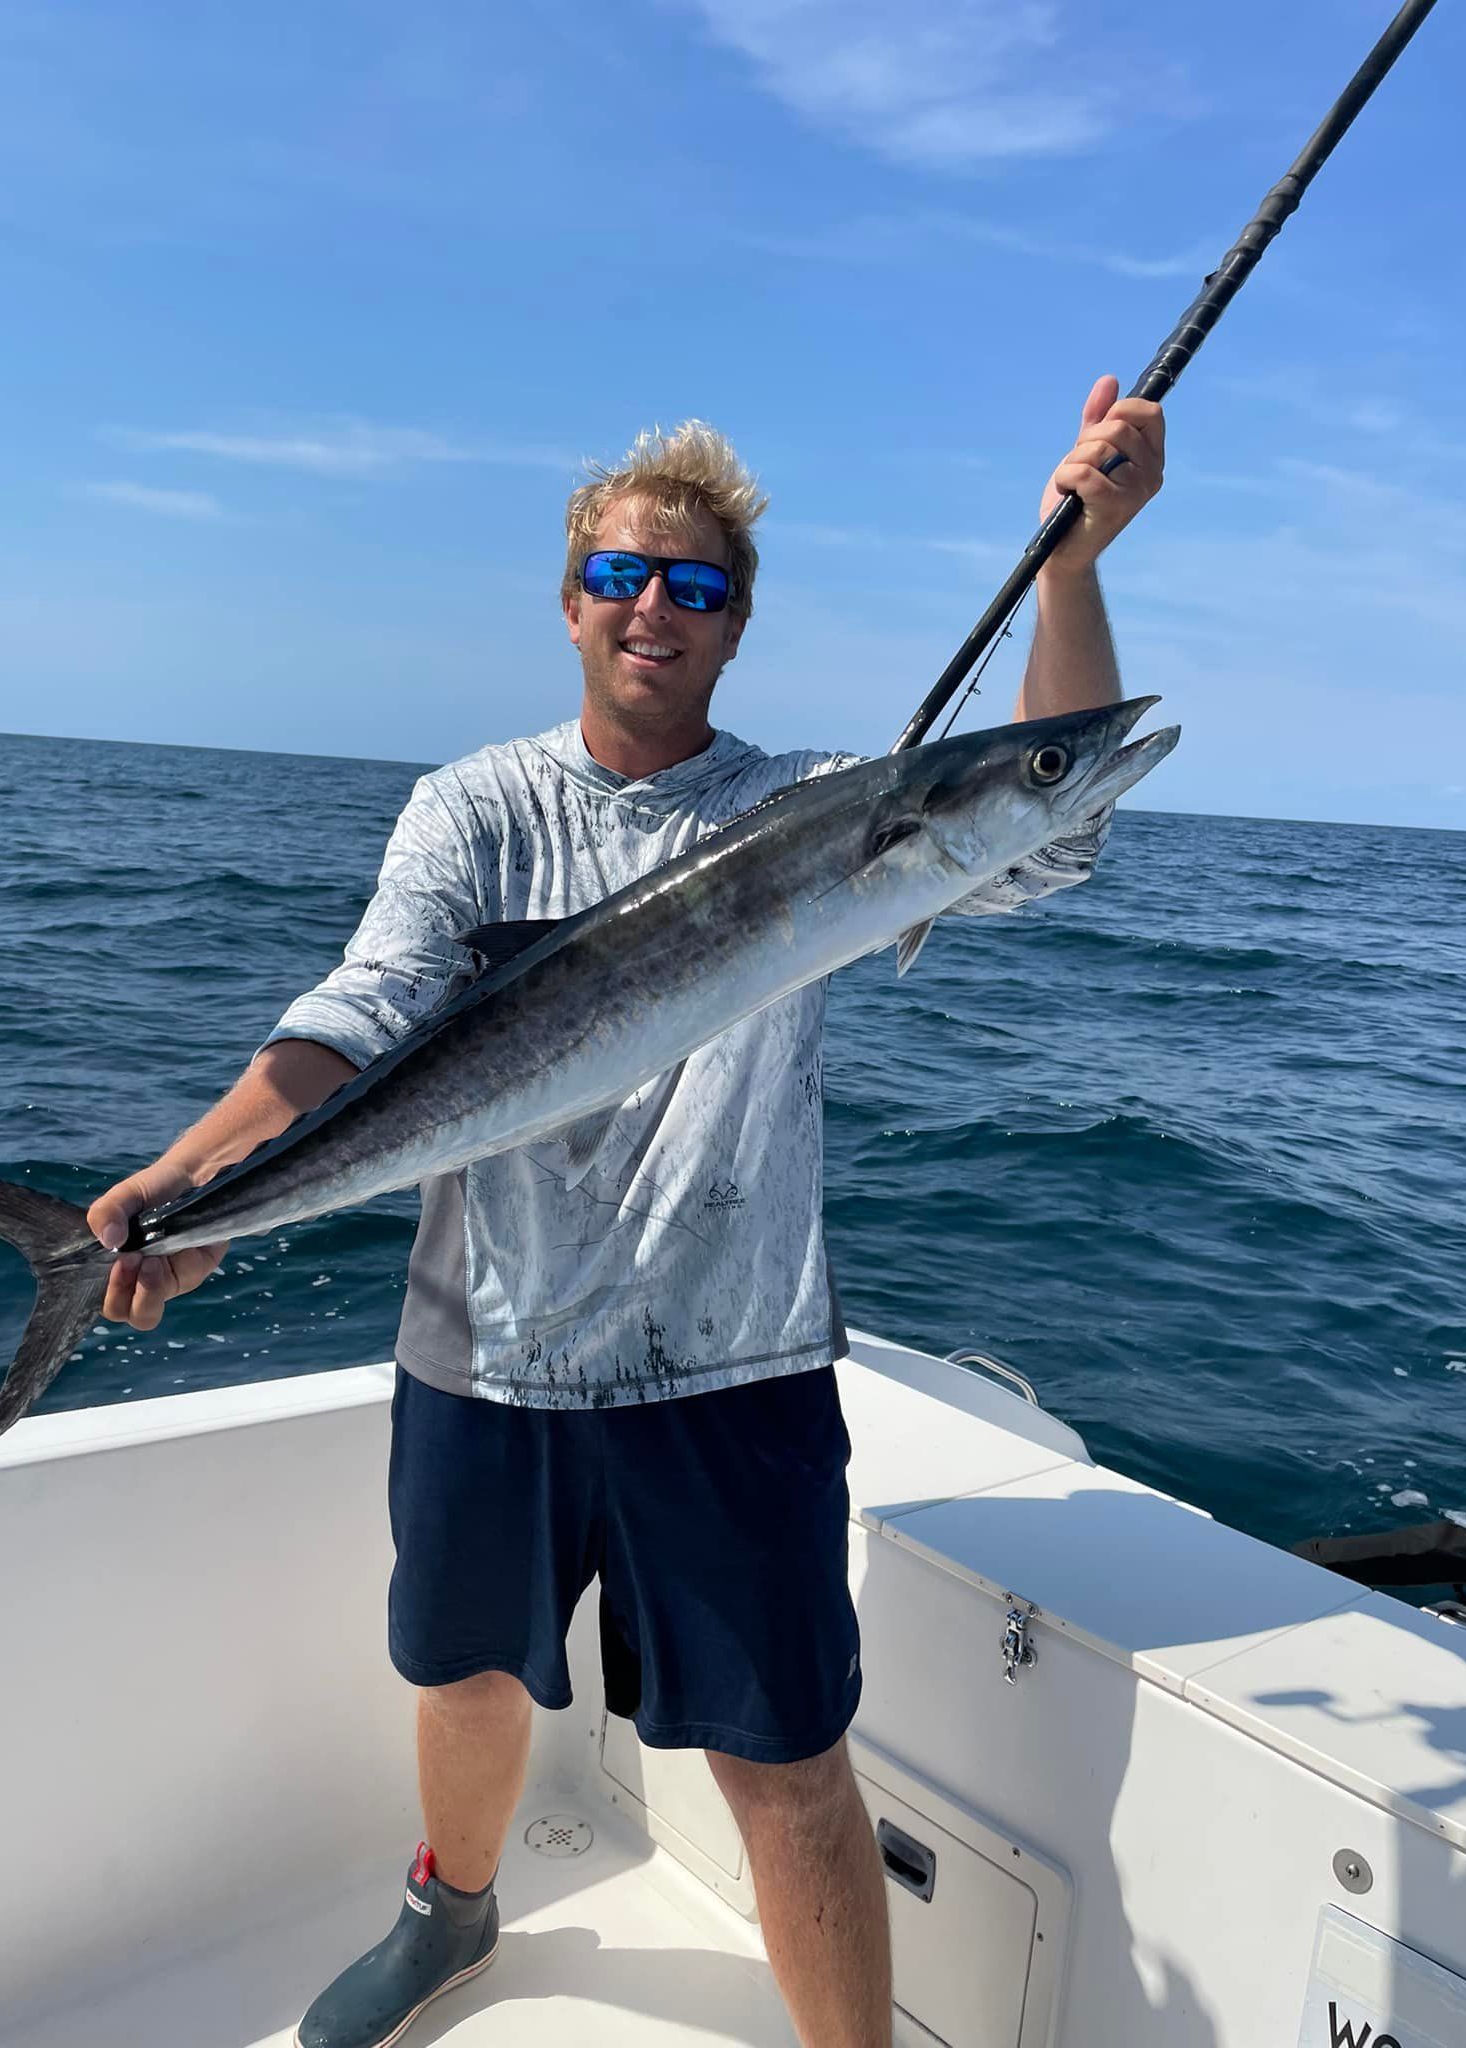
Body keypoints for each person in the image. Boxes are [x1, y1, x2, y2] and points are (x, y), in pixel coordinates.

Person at [87, 377, 1165, 2048]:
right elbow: (361, 1010)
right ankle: (451, 1916)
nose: (653, 606)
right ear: (571, 598)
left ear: (737, 626)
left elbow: (1058, 836)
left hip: (730, 1364)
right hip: (483, 1356)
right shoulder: (474, 807)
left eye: (697, 586)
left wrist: (1073, 570)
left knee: (789, 1758)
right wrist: (201, 1173)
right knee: (462, 1683)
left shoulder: (831, 804)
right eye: (621, 575)